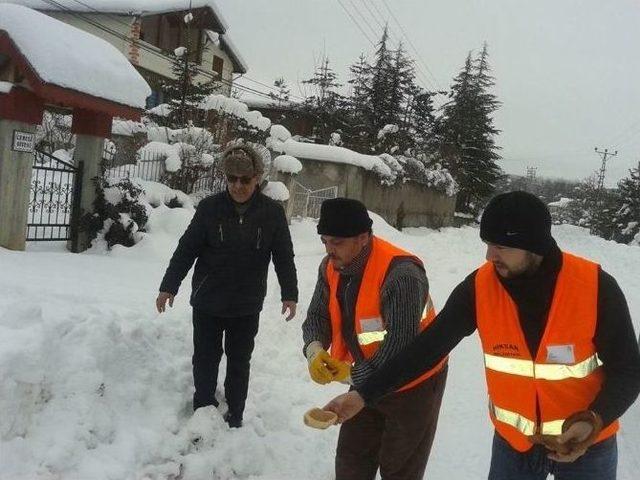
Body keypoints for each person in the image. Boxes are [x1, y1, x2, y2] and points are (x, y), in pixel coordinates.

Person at [325, 191, 640, 480]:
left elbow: (628, 369)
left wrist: (594, 420)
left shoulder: (595, 287)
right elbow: (426, 348)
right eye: (487, 244)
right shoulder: (480, 287)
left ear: (535, 247)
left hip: (586, 445)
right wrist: (364, 394)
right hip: (514, 446)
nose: (490, 256)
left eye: (501, 246)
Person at [302, 197, 448, 480]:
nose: (329, 250)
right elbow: (317, 316)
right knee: (352, 459)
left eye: (338, 243)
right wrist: (314, 349)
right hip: (366, 376)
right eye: (325, 241)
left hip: (414, 383)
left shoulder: (402, 275)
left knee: (399, 466)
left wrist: (353, 376)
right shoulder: (330, 266)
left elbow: (400, 348)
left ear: (363, 237)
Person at [156, 144, 298, 428]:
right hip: (208, 300)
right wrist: (169, 286)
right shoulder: (210, 208)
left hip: (246, 304)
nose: (238, 185)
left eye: (245, 179)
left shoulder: (271, 213)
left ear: (257, 178)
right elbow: (187, 249)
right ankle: (203, 406)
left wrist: (289, 293)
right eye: (232, 178)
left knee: (239, 361)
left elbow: (283, 255)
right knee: (205, 358)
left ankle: (235, 413)